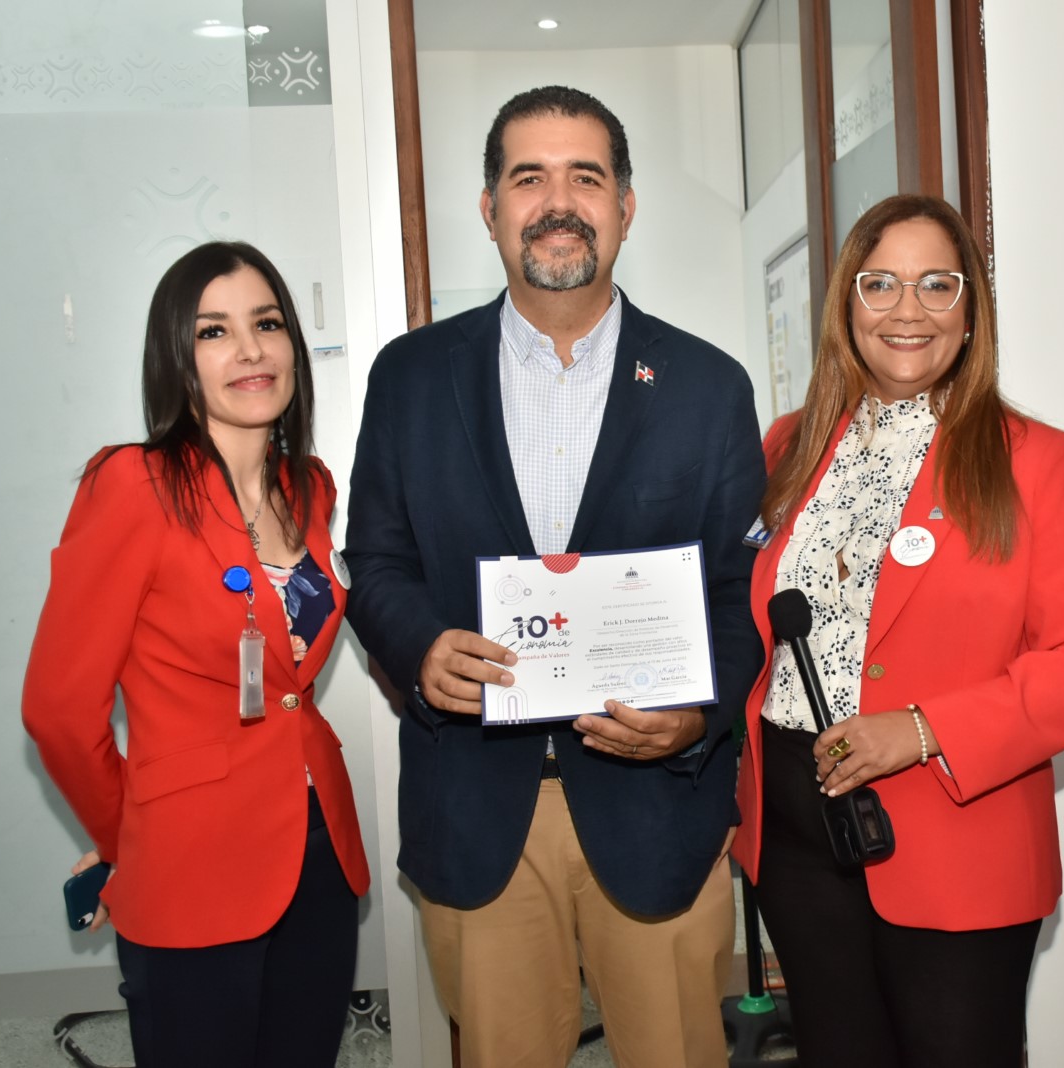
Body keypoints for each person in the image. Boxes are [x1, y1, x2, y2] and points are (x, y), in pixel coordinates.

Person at [343, 85, 766, 1068]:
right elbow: (376, 560)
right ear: (489, 208)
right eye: (528, 176)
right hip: (476, 808)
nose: (558, 199)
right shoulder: (410, 378)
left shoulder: (708, 387)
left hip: (655, 800)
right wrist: (416, 645)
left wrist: (698, 716)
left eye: (586, 175)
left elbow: (738, 591)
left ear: (625, 204)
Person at [732, 194, 1064, 1065]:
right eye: (879, 284)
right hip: (795, 836)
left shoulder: (1034, 458)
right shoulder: (787, 446)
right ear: (846, 304)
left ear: (970, 308)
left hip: (957, 834)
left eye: (935, 285)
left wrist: (920, 731)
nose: (906, 310)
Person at [22, 241, 370, 1068]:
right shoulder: (132, 486)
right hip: (187, 862)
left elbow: (289, 684)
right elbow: (59, 712)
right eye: (215, 331)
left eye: (268, 323)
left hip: (318, 851)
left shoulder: (309, 486)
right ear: (178, 362)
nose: (251, 349)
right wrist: (123, 836)